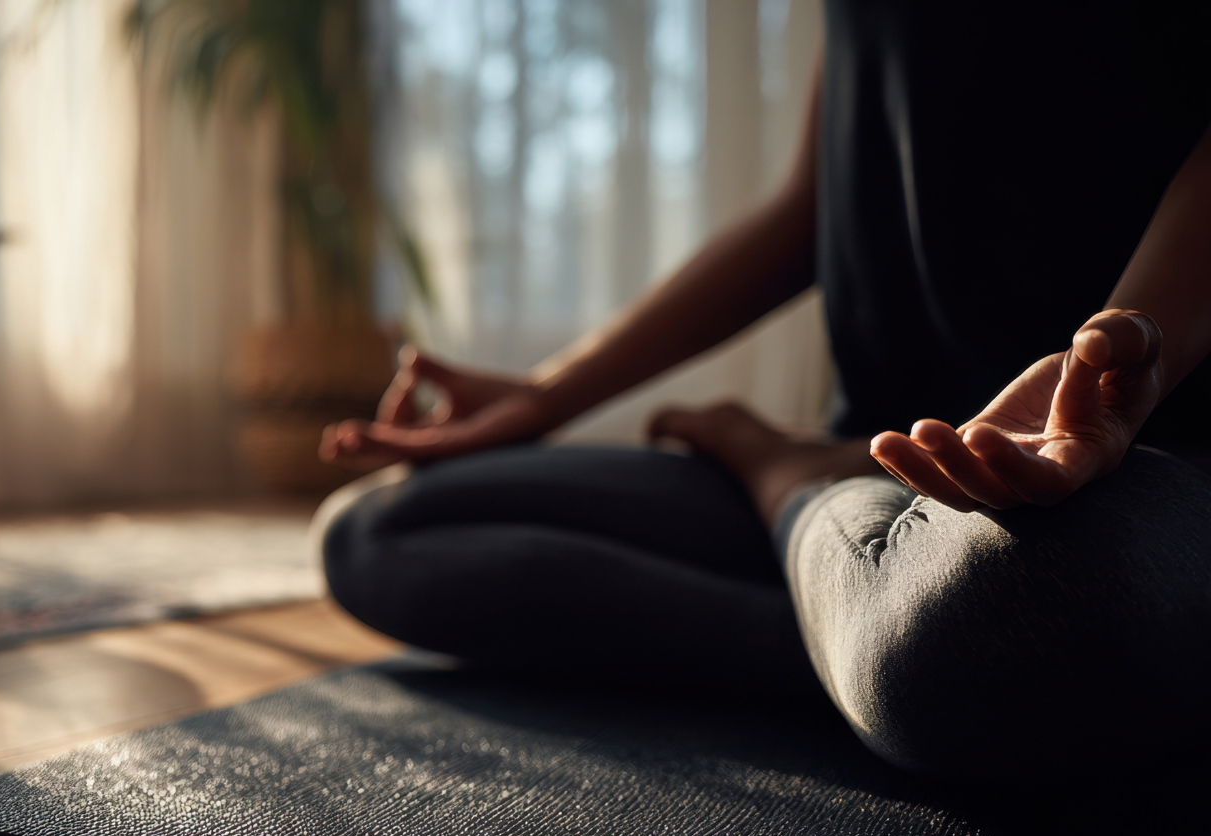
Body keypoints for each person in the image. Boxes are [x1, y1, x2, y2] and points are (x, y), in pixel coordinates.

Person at [315, 3, 1211, 780]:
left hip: (1141, 465)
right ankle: (861, 613)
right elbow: (809, 206)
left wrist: (1137, 358)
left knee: (1008, 622)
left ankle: (795, 495)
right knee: (378, 533)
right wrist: (547, 395)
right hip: (878, 454)